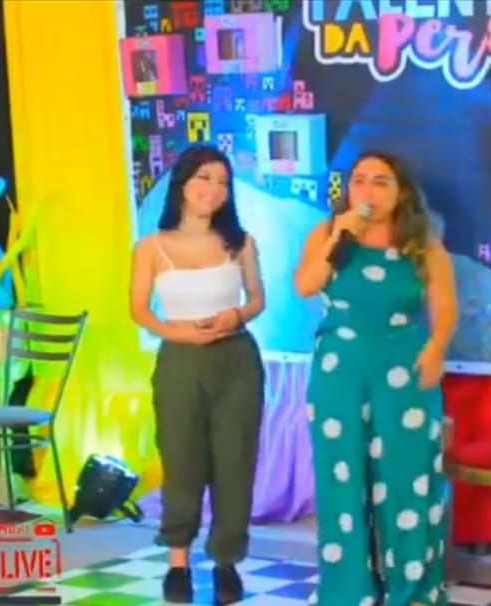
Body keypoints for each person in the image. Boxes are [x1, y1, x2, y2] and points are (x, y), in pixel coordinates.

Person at [294, 151, 459, 606]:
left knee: (407, 475)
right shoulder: (328, 232)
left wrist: (436, 347)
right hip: (339, 369)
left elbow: (445, 309)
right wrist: (338, 239)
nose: (368, 190)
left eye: (381, 182)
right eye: (360, 180)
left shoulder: (422, 242)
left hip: (404, 366)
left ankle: (412, 589)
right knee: (341, 477)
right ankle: (348, 590)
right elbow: (305, 285)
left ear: (401, 192)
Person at [129, 144, 267, 605]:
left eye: (223, 182)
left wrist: (235, 316)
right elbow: (139, 309)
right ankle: (178, 563)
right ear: (183, 184)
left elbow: (257, 299)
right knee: (182, 461)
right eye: (204, 178)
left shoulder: (241, 242)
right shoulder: (151, 247)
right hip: (180, 363)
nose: (214, 189)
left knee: (235, 461)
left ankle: (227, 561)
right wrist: (178, 332)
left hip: (237, 361)